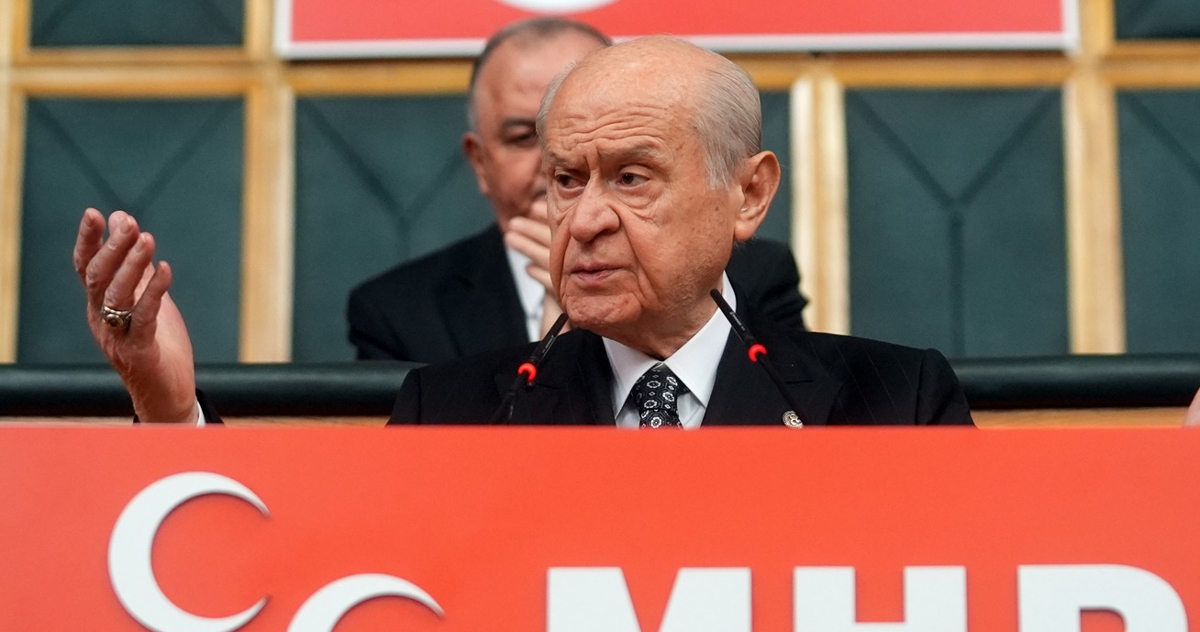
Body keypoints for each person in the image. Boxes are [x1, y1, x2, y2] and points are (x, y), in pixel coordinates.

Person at [74, 36, 972, 427]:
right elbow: (314, 593)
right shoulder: (451, 411)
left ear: (748, 195)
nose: (583, 219)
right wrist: (170, 408)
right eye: (565, 179)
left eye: (631, 178)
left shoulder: (896, 402)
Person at [346, 18, 807, 363]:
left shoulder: (752, 277)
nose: (586, 216)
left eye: (629, 175)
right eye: (524, 138)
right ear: (479, 162)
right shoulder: (400, 310)